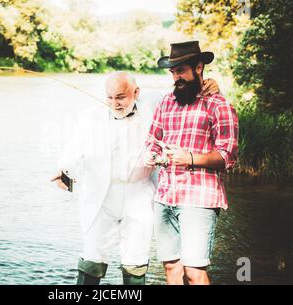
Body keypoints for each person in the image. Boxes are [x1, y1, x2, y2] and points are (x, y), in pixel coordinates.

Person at [51, 71, 220, 285]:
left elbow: (183, 93)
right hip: (100, 195)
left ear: (136, 93)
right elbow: (72, 151)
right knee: (92, 255)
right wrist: (64, 170)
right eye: (110, 97)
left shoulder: (154, 104)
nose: (115, 103)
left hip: (139, 194)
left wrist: (210, 86)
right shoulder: (89, 116)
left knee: (136, 259)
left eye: (121, 97)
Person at [144, 41, 239, 285]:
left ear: (199, 68)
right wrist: (152, 155)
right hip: (165, 197)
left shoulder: (220, 106)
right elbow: (153, 142)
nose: (176, 77)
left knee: (194, 272)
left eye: (181, 70)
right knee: (171, 267)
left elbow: (228, 156)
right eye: (173, 72)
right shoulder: (165, 102)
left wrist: (191, 158)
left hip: (199, 200)